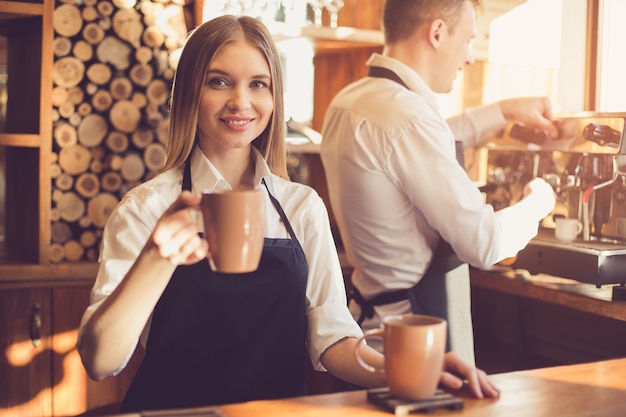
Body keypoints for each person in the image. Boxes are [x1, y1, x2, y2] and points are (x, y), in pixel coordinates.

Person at [75, 15, 500, 413]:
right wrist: (158, 255)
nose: (241, 102)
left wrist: (412, 372)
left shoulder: (302, 207)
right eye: (219, 81)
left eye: (258, 84)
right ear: (189, 91)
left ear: (275, 97)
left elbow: (332, 339)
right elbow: (100, 360)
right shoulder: (147, 208)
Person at [320, 0, 557, 366]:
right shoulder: (406, 115)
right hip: (415, 337)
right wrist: (540, 200)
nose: (469, 58)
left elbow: (421, 146)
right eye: (467, 40)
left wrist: (503, 111)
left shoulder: (351, 101)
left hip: (369, 327)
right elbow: (484, 242)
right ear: (436, 33)